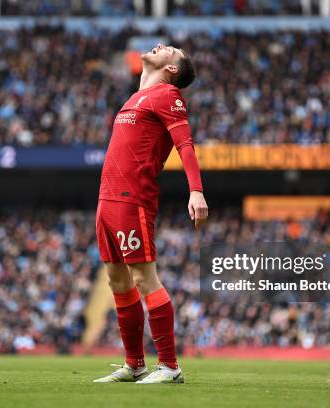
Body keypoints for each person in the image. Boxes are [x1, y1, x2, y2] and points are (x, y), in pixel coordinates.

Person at [94, 44, 208, 384]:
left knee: (144, 278)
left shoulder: (168, 95)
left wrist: (197, 190)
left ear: (172, 69)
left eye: (169, 50)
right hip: (108, 199)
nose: (160, 46)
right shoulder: (135, 97)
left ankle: (171, 368)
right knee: (117, 280)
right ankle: (134, 365)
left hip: (133, 198)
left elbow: (185, 144)